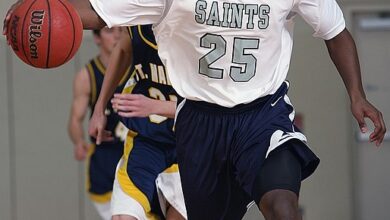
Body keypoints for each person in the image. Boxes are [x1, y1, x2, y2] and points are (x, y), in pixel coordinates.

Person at [4, 0, 386, 219]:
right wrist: (33, 15)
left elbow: (335, 29)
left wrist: (356, 94)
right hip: (198, 123)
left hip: (262, 115)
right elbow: (93, 13)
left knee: (282, 206)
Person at [104, 25, 186, 220]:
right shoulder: (140, 19)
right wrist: (99, 108)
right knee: (123, 217)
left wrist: (155, 106)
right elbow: (123, 48)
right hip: (147, 138)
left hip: (193, 144)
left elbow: (213, 110)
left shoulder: (201, 31)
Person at [67, 27, 129, 220]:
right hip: (105, 161)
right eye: (110, 31)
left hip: (138, 155)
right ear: (96, 38)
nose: (117, 35)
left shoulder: (140, 67)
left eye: (121, 30)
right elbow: (75, 120)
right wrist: (79, 142)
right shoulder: (87, 76)